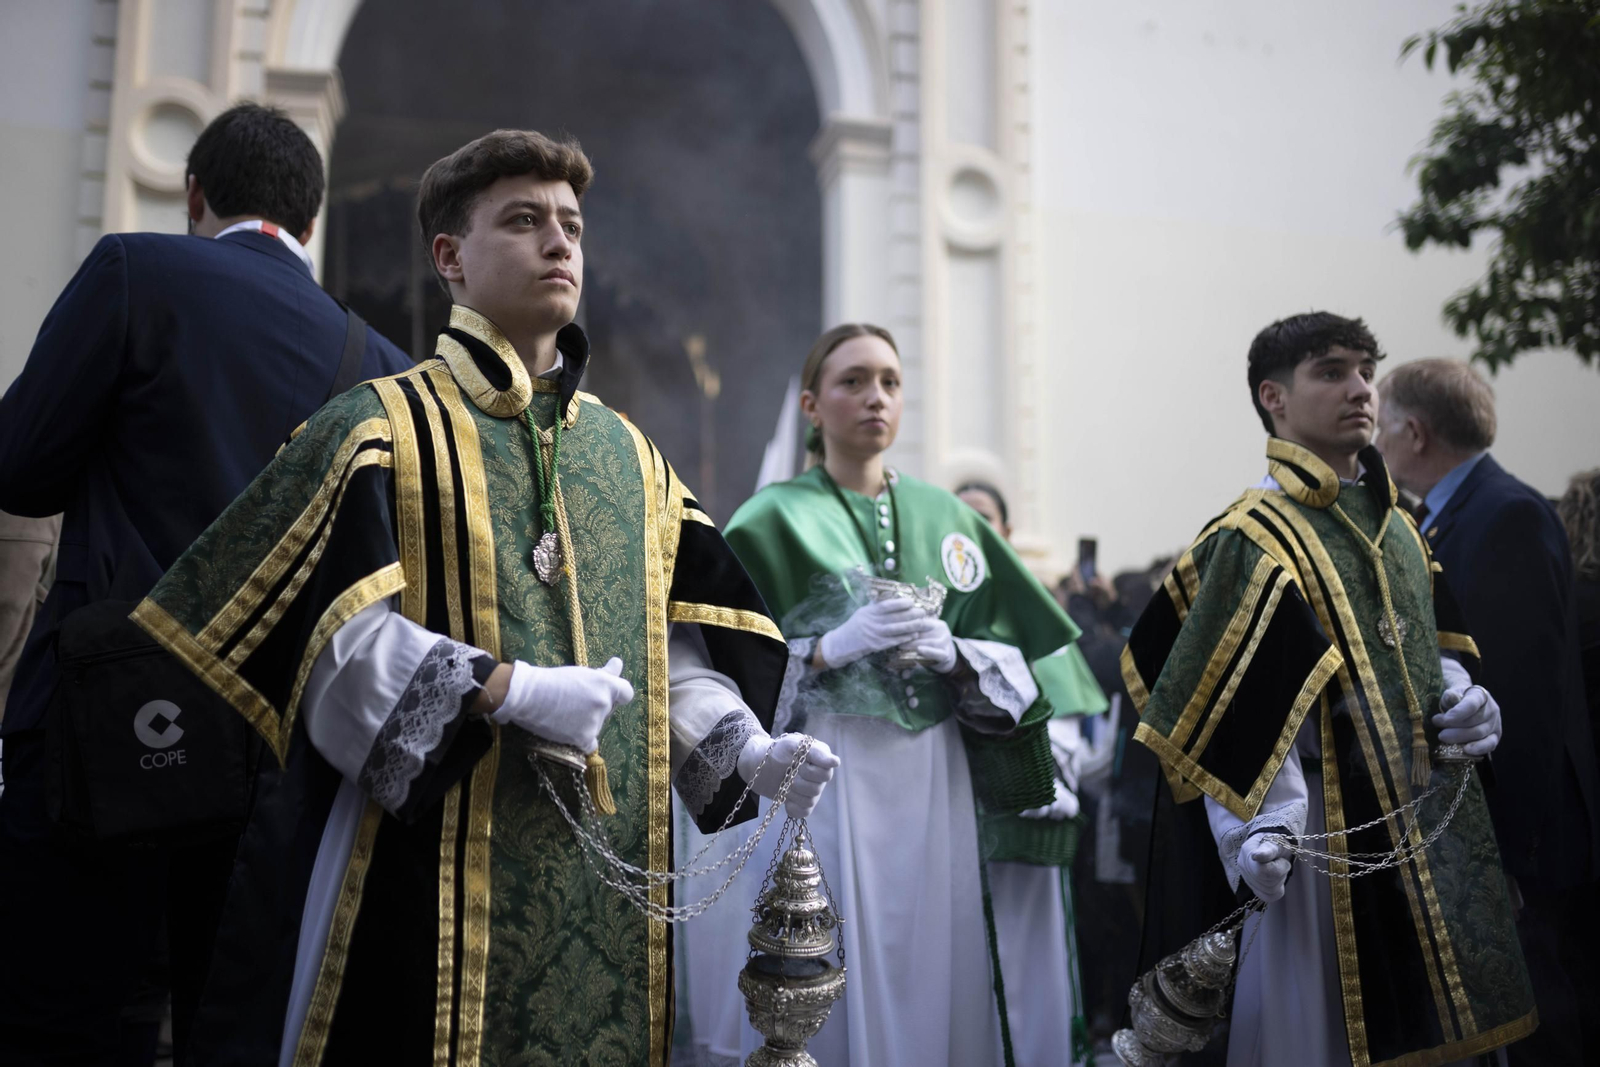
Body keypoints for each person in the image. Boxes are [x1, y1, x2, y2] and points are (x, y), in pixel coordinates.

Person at [131, 128, 838, 1065]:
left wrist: (746, 747)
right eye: (524, 220)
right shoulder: (380, 424)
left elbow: (671, 659)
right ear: (450, 259)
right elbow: (333, 656)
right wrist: (507, 691)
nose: (559, 243)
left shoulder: (634, 459)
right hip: (422, 882)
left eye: (572, 226)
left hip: (607, 886)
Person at [0, 103, 413, 1064]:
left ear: (196, 196)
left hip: (95, 740)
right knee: (227, 1033)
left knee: (59, 1025)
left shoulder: (136, 271)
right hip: (267, 764)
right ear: (308, 223)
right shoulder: (378, 368)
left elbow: (20, 466)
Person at [1123, 312, 1532, 1066]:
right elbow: (1230, 704)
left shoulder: (1402, 528)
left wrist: (1466, 699)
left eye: (1368, 372)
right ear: (1273, 397)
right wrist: (1253, 828)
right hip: (1318, 846)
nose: (1361, 389)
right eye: (1333, 371)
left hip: (1427, 832)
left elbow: (1430, 647)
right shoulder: (1253, 531)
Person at [681, 324, 1081, 1067]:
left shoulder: (951, 518)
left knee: (932, 942)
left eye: (891, 382)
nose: (875, 397)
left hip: (933, 773)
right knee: (831, 941)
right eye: (853, 380)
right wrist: (830, 646)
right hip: (829, 771)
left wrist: (957, 653)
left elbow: (1024, 660)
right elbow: (717, 675)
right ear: (811, 403)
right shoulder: (770, 518)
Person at [1378, 360, 1600, 1065]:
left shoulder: (1505, 513)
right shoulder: (1448, 517)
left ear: (1414, 431)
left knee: (1543, 1026)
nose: (1371, 437)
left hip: (1525, 845)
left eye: (1381, 423)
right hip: (1494, 834)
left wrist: (1502, 851)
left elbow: (1524, 701)